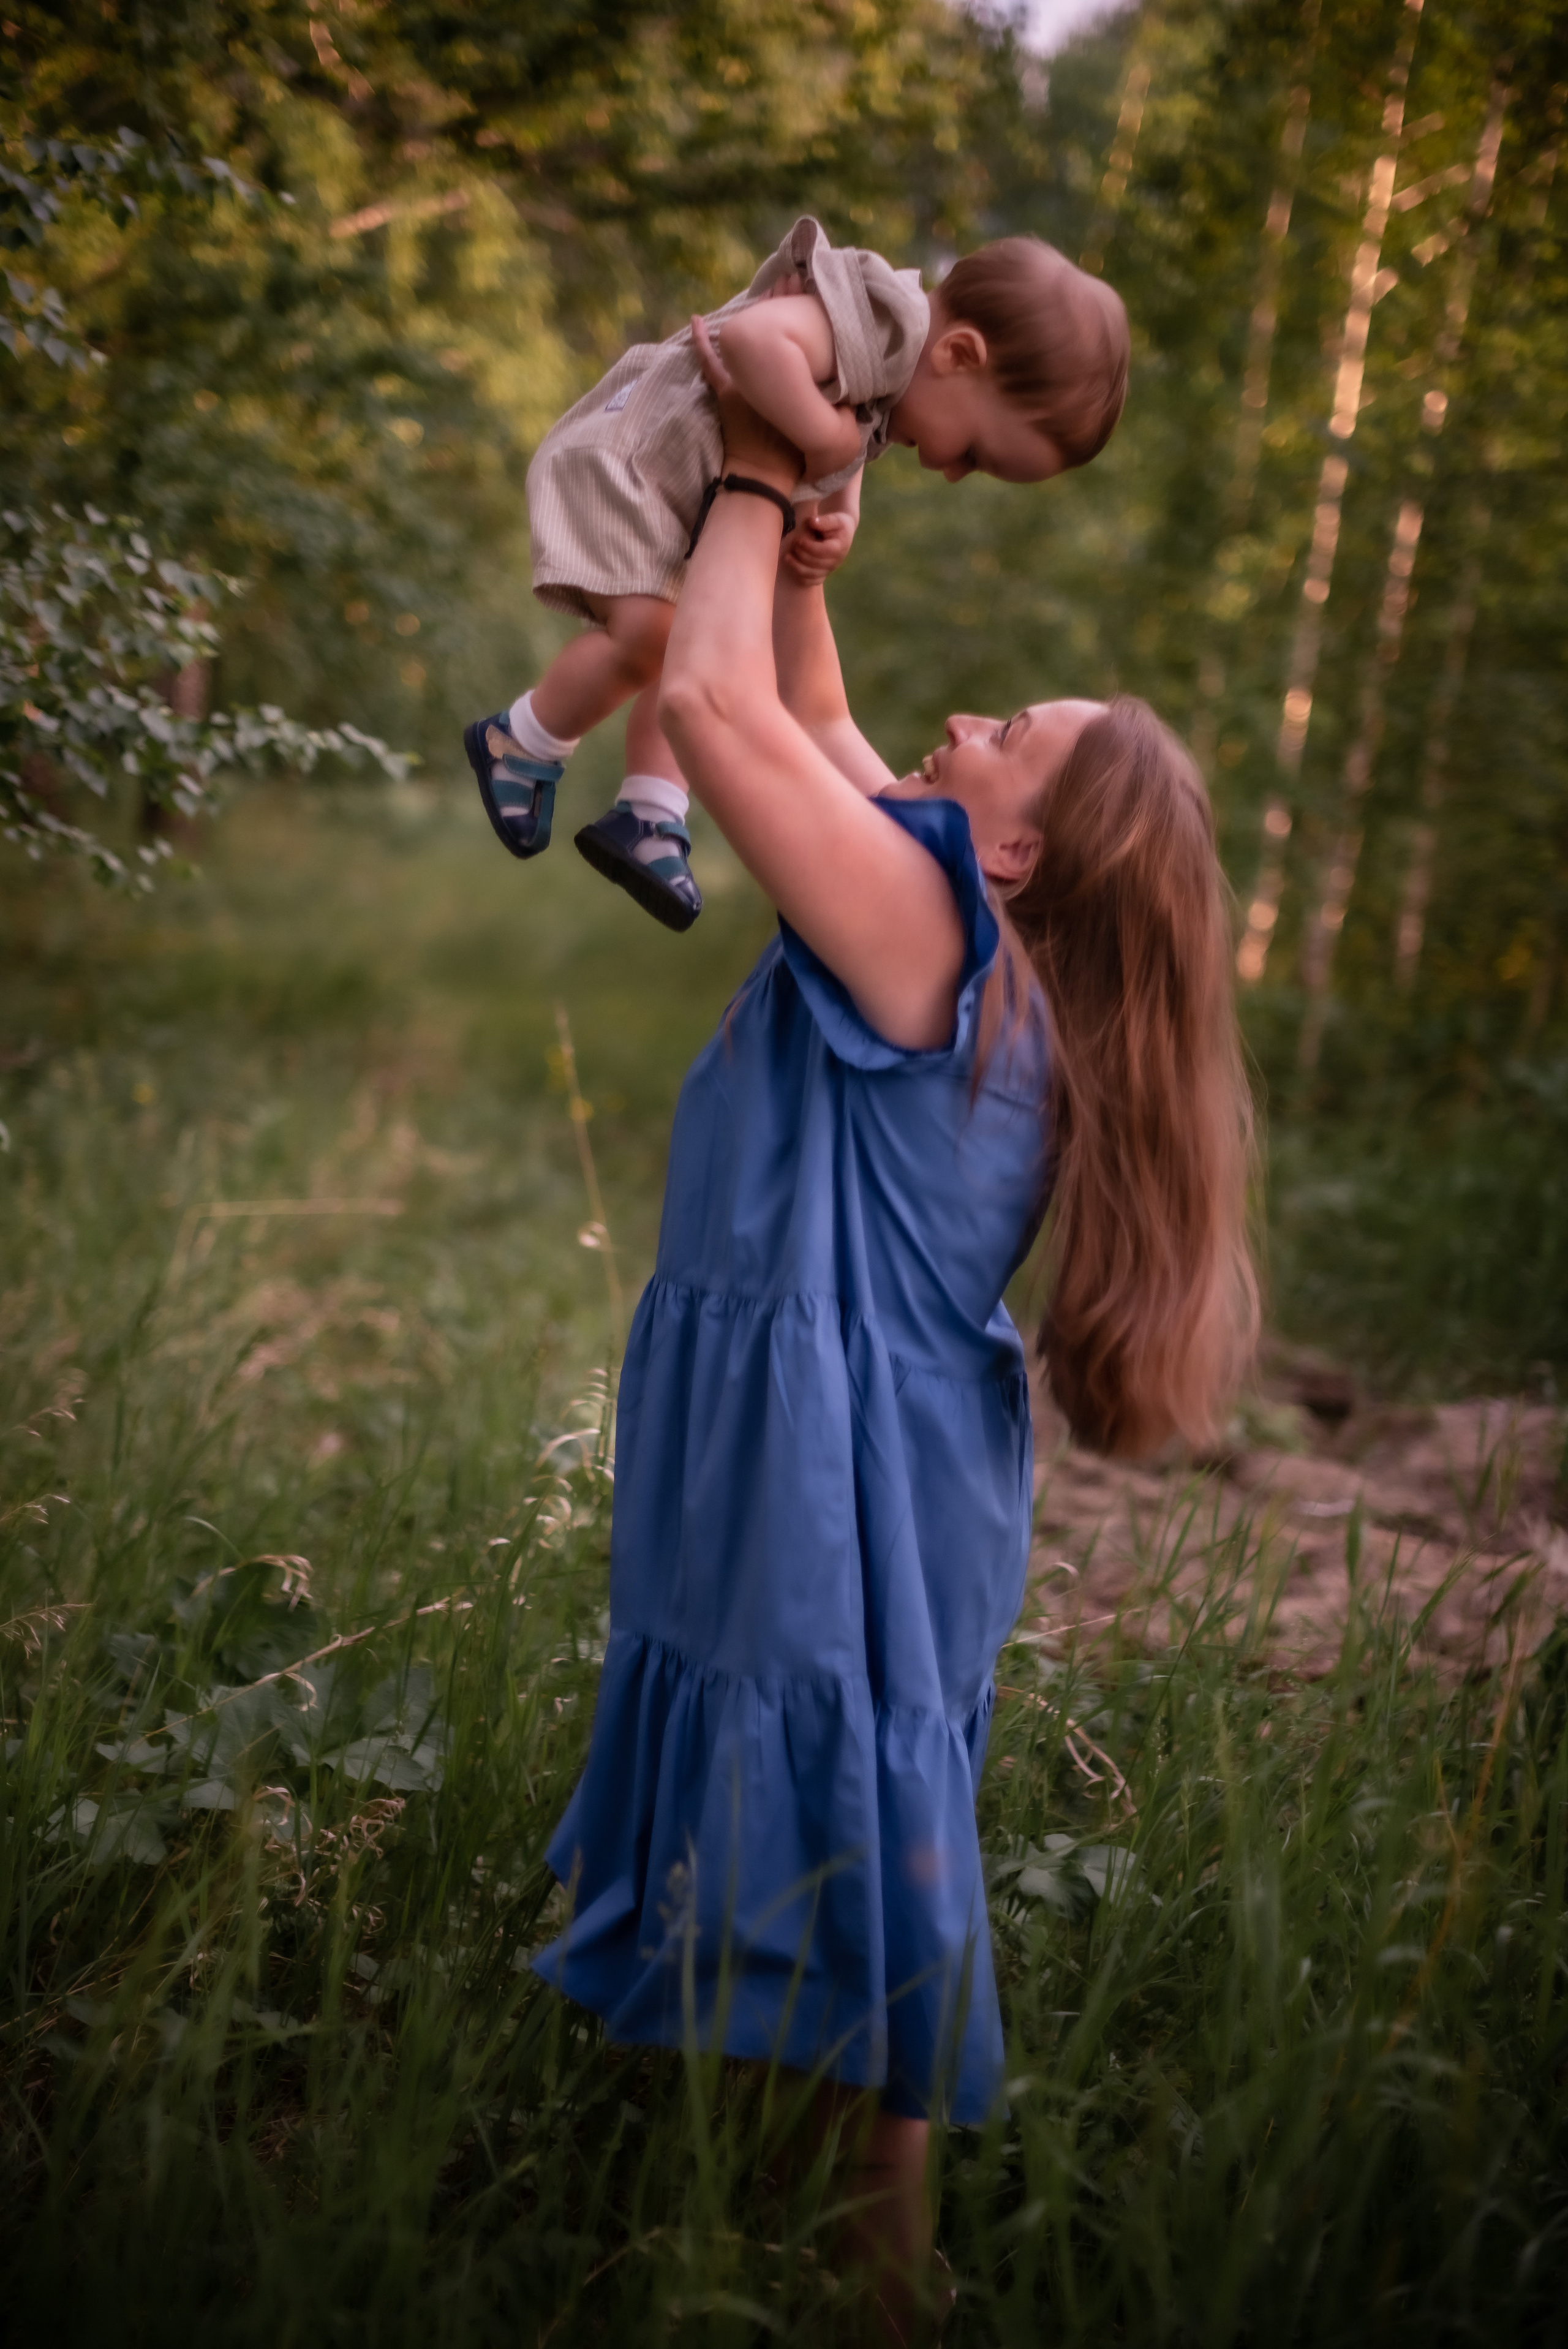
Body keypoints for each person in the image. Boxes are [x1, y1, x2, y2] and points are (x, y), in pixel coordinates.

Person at [530, 336, 1257, 2337]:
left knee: (839, 1847)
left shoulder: (930, 933)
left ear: (1018, 847)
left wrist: (767, 463)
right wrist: (822, 545)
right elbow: (813, 700)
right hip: (831, 1428)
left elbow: (710, 701)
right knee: (819, 1828)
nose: (962, 716)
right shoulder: (961, 921)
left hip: (834, 1459)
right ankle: (765, 2231)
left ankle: (864, 2290)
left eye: (1006, 727)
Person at [464, 217, 1129, 933]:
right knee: (663, 637)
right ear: (961, 354)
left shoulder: (890, 362)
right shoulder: (886, 316)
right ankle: (525, 738)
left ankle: (651, 811)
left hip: (681, 483)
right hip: (635, 457)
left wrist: (841, 515)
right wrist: (821, 439)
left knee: (694, 635)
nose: (954, 473)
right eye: (972, 452)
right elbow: (756, 346)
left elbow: (846, 440)